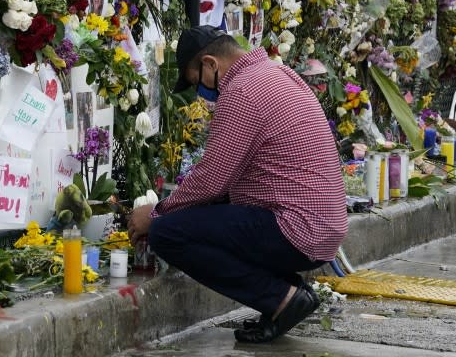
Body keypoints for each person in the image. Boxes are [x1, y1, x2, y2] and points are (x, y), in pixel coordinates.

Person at [127, 26, 347, 343]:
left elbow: (210, 181)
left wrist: (156, 213)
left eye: (195, 81)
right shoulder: (277, 73)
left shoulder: (241, 93)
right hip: (324, 229)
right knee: (209, 217)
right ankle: (288, 294)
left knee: (168, 233)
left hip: (297, 229)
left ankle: (281, 298)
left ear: (210, 64)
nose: (200, 93)